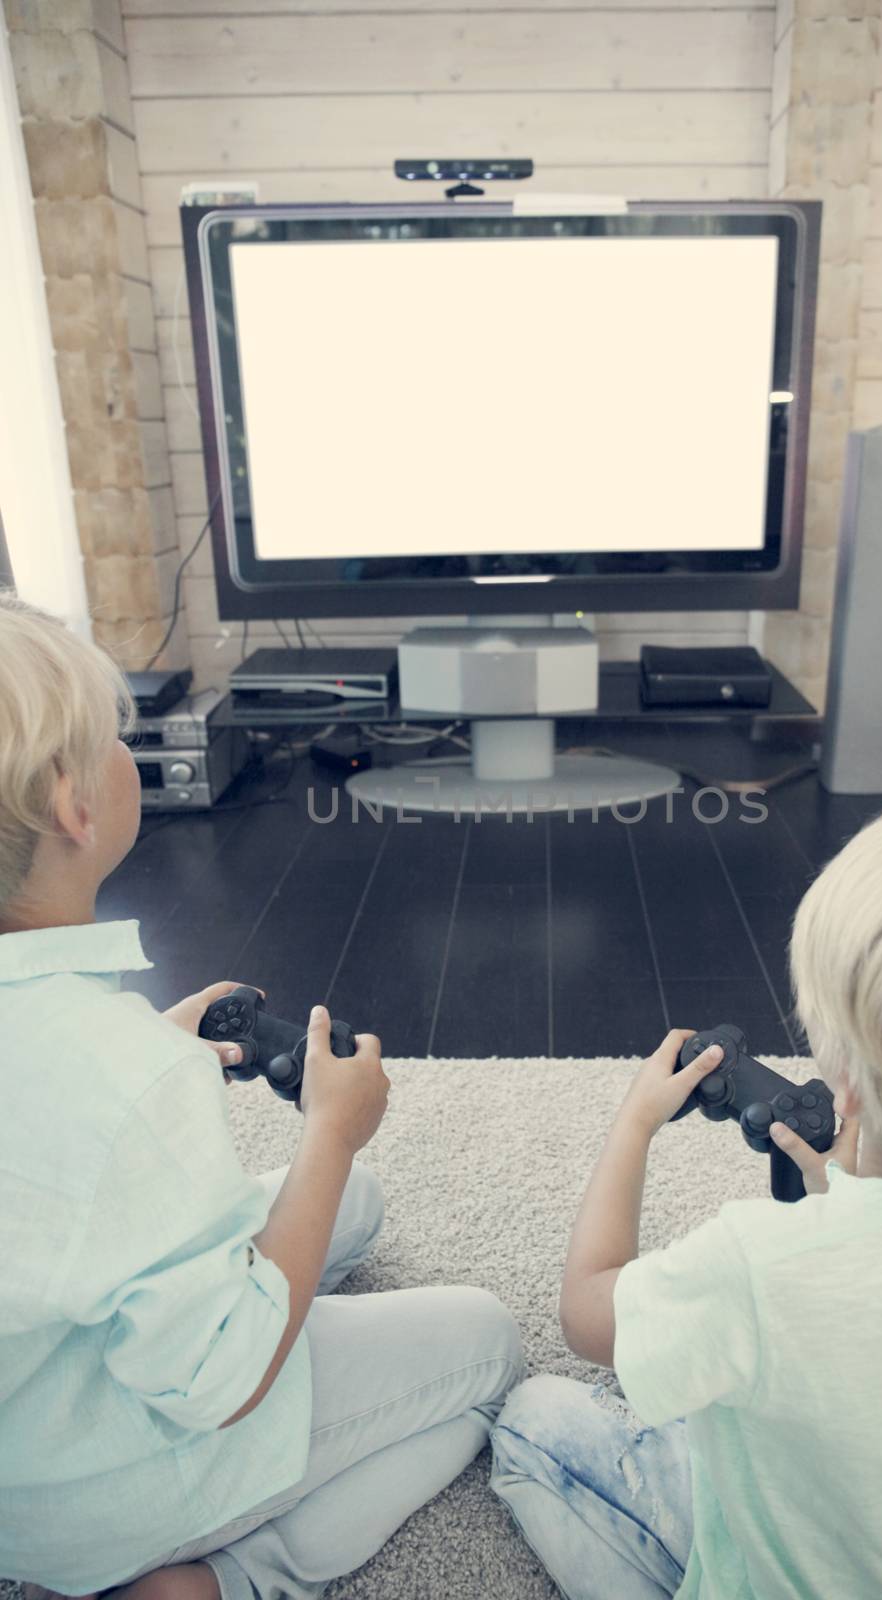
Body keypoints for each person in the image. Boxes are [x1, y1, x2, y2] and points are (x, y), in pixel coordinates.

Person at [0, 591, 523, 1600]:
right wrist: (332, 1133)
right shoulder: (116, 1074)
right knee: (485, 1347)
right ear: (76, 803)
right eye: (117, 736)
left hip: (22, 1423)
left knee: (352, 1219)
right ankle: (233, 1576)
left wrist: (155, 1055)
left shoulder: (99, 1055)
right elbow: (218, 1379)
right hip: (101, 1481)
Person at [491, 802, 882, 1599]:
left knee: (533, 1420)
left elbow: (586, 1316)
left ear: (847, 1076)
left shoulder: (759, 1264)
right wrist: (848, 1191)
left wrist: (632, 1125)